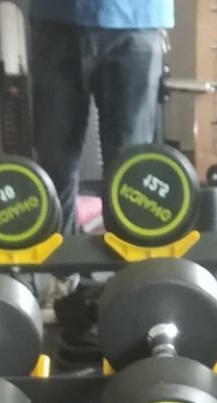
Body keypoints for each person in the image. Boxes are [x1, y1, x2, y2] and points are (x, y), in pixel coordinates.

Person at [28, 0, 172, 234]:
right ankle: (60, 256)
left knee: (130, 168)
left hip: (138, 16)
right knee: (55, 162)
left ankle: (128, 255)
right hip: (57, 16)